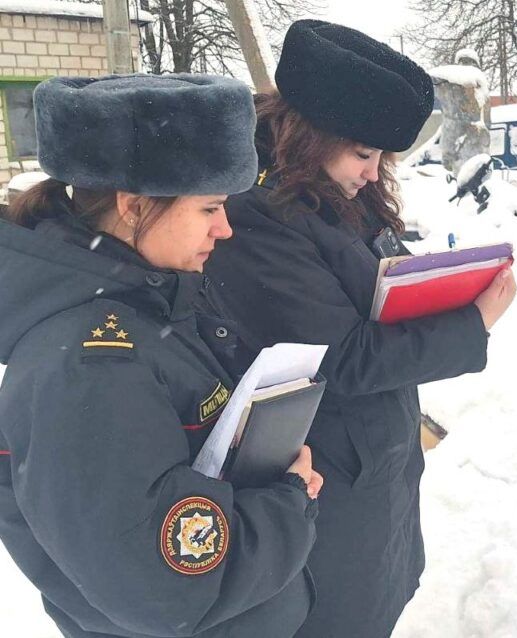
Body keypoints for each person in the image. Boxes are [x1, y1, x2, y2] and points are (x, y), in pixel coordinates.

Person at [203, 20, 516, 638]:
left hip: (371, 460)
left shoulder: (324, 188)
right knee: (337, 615)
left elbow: (366, 285)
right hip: (325, 473)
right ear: (309, 135)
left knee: (379, 597)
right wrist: (470, 323)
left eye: (382, 157)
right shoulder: (256, 216)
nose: (375, 174)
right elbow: (339, 358)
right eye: (364, 154)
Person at [0, 74, 323, 638]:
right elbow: (164, 588)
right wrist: (285, 501)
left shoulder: (144, 302)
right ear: (133, 206)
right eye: (210, 208)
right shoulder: (90, 364)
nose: (225, 229)